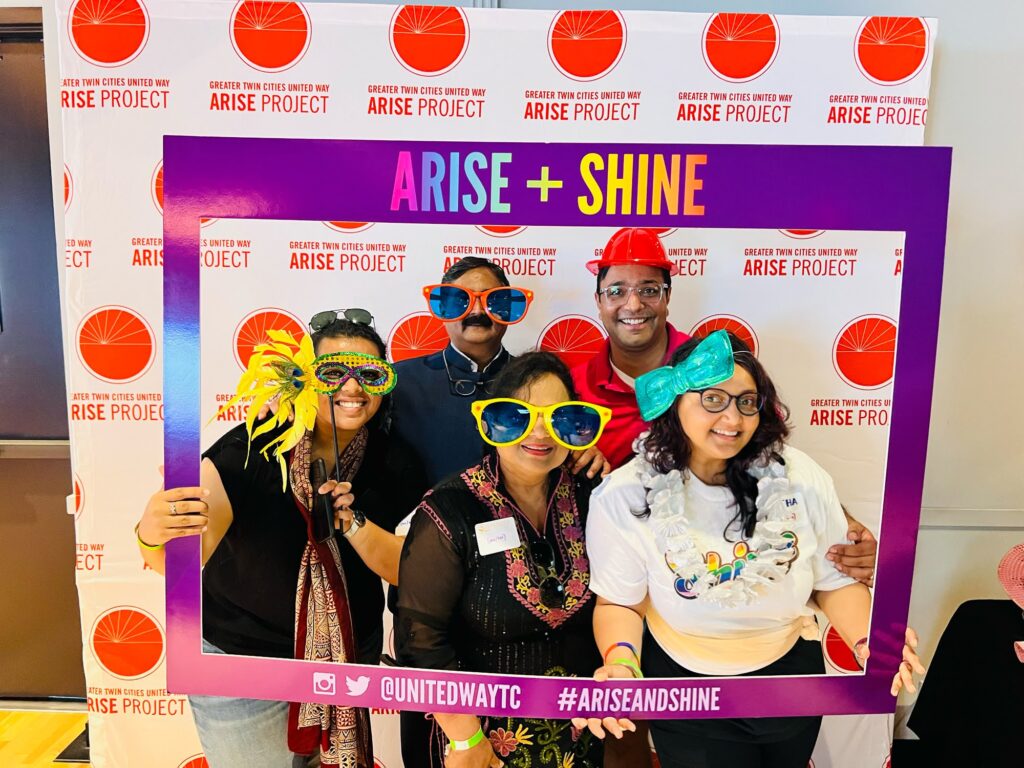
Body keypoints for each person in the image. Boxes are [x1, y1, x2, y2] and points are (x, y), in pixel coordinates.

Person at [574, 331, 924, 767]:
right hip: (687, 686)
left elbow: (834, 582)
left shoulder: (799, 476)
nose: (733, 418)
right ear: (675, 401)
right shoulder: (626, 493)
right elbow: (620, 604)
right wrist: (622, 663)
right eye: (714, 399)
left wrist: (868, 641)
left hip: (790, 671)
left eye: (747, 401)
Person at [135, 313, 427, 768]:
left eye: (369, 374)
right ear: (302, 382)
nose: (352, 388)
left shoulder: (395, 460)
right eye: (332, 373)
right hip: (244, 668)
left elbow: (404, 568)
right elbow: (183, 557)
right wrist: (155, 534)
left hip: (347, 661)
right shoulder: (255, 445)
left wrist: (352, 521)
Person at [574, 227, 876, 585]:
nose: (634, 304)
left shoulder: (721, 368)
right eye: (616, 291)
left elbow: (774, 462)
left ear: (668, 296)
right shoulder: (572, 387)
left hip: (719, 572)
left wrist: (842, 523)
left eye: (649, 290)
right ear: (598, 301)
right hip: (616, 572)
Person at [395, 352, 612, 768]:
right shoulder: (451, 509)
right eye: (518, 416)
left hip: (578, 741)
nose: (540, 432)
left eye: (558, 417)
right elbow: (419, 637)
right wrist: (466, 739)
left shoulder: (592, 498)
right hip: (479, 743)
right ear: (490, 423)